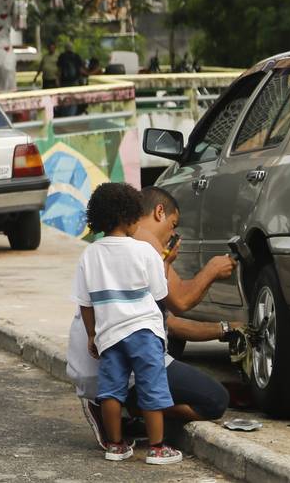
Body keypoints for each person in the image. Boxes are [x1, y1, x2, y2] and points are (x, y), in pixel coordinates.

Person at [68, 185, 237, 447]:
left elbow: (85, 302)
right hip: (136, 343)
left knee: (118, 388)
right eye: (173, 225)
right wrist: (210, 269)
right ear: (159, 212)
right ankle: (154, 442)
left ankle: (115, 436)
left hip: (99, 349)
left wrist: (224, 329)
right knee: (212, 400)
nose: (172, 234)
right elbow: (174, 301)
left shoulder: (91, 252)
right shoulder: (146, 244)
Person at [72, 182, 183, 465]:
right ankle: (157, 448)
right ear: (128, 216)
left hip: (109, 335)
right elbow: (159, 293)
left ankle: (116, 445)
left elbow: (85, 303)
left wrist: (91, 335)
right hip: (145, 332)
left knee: (110, 390)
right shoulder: (144, 252)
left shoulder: (90, 255)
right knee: (152, 387)